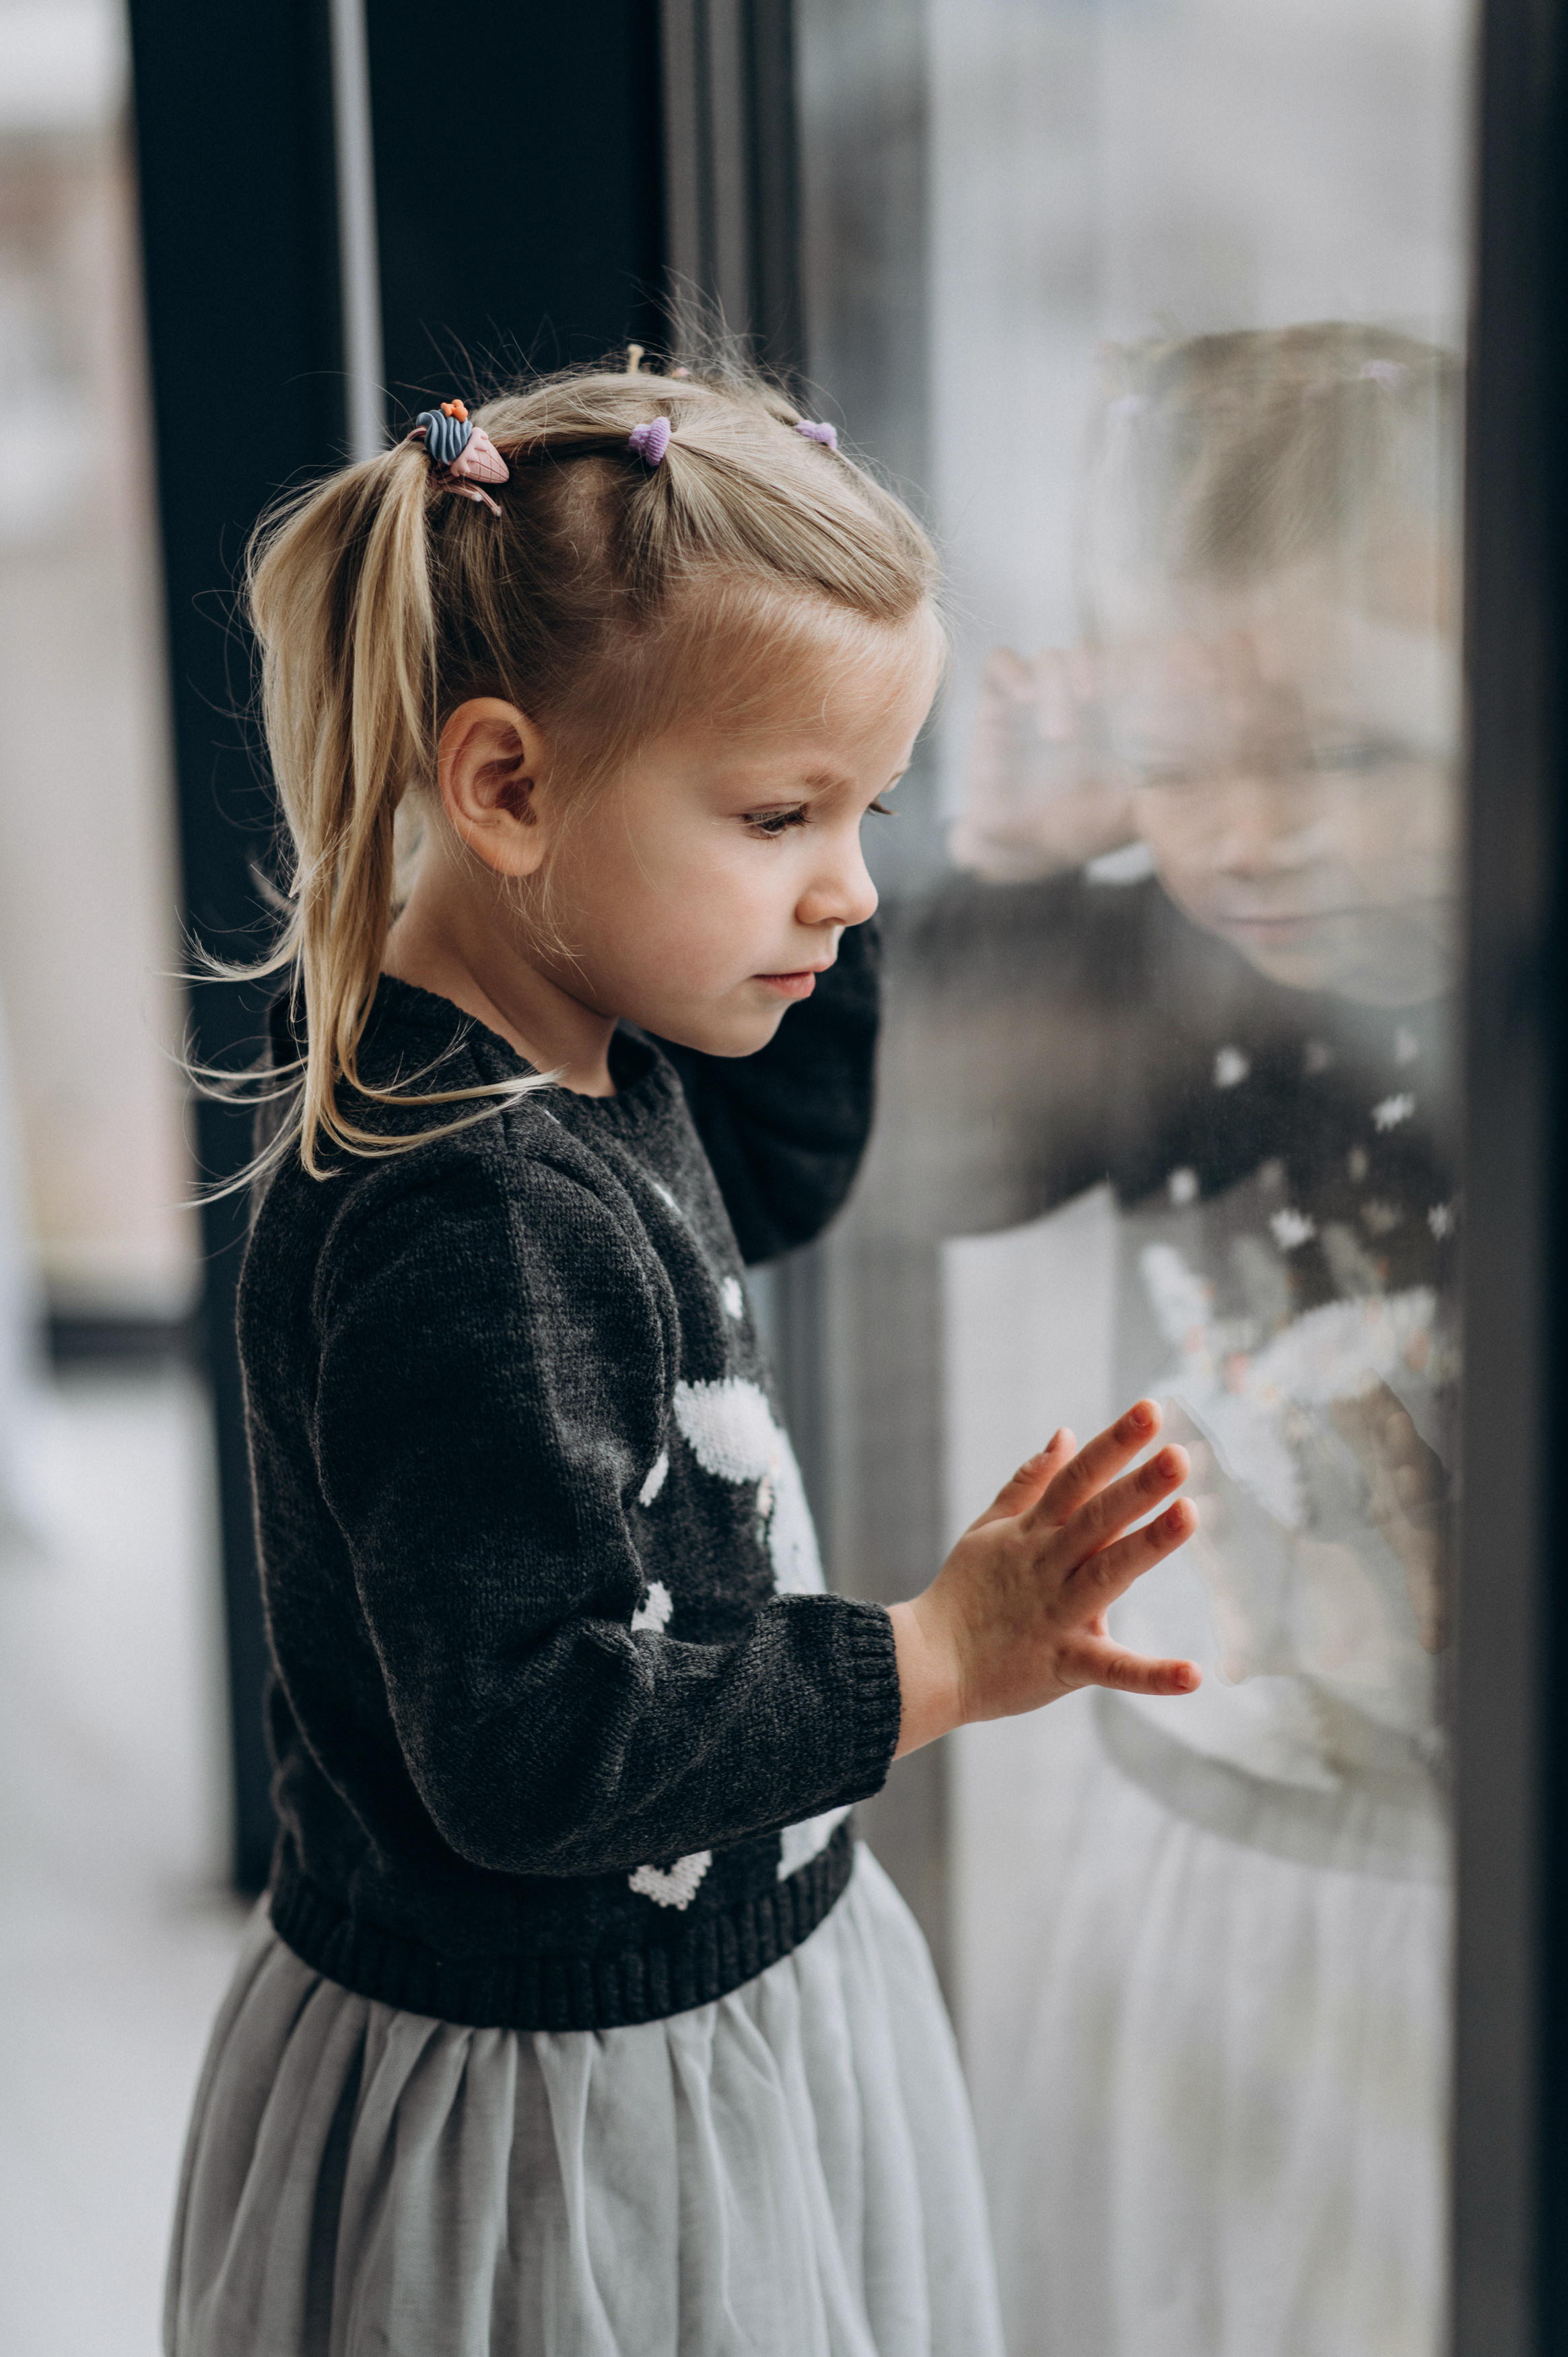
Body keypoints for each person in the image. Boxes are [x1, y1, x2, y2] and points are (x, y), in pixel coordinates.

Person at [162, 358, 1202, 2357]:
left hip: (681, 1993)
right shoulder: (462, 1219)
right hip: (557, 2110)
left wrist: (923, 870)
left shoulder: (564, 1030)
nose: (853, 878)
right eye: (780, 812)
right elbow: (535, 1745)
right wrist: (928, 1659)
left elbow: (772, 1178)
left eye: (866, 807)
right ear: (508, 785)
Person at [922, 323, 1460, 2356]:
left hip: (1471, 1863)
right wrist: (1004, 868)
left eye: (1342, 751)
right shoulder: (1155, 965)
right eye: (1171, 751)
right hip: (1227, 1819)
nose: (1247, 832)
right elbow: (934, 1145)